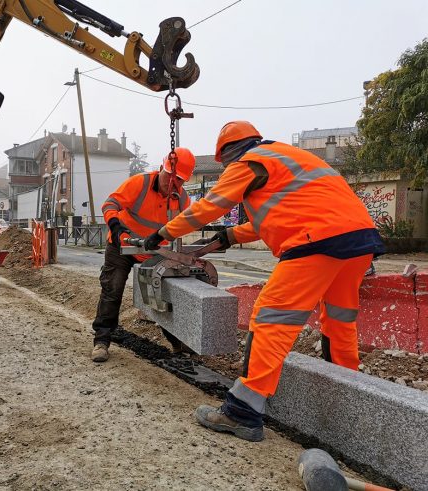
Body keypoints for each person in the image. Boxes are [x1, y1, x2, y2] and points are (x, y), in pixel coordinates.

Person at [144, 121, 385, 442]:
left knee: (270, 319)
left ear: (227, 153)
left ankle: (242, 412)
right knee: (339, 321)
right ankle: (348, 398)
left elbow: (209, 206)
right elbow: (278, 217)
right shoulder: (286, 157)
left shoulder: (246, 161)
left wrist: (164, 232)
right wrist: (227, 237)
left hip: (317, 242)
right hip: (359, 241)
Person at [90, 147, 196, 363]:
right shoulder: (139, 184)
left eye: (179, 181)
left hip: (152, 253)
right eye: (169, 176)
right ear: (161, 169)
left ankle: (177, 344)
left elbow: (181, 230)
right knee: (113, 289)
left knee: (162, 294)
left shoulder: (183, 201)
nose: (172, 184)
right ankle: (102, 341)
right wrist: (115, 225)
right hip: (122, 246)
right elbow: (110, 204)